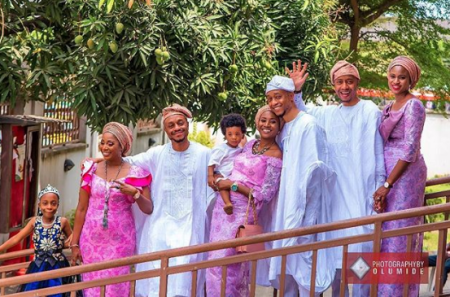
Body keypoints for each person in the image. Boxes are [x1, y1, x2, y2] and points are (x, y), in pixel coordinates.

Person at [291, 60, 385, 296]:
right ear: (333, 85)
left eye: (349, 81)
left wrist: (380, 189)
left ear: (357, 84)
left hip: (361, 198)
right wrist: (296, 90)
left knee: (361, 259)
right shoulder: (328, 113)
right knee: (336, 260)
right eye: (340, 82)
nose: (345, 86)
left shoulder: (369, 110)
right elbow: (303, 112)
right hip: (334, 201)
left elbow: (376, 152)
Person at [125, 104, 212, 297]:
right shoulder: (157, 154)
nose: (177, 128)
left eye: (180, 123)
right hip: (160, 228)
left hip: (191, 229)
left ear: (188, 125)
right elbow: (128, 162)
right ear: (166, 130)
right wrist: (97, 162)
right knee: (157, 281)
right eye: (171, 125)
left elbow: (222, 172)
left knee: (185, 281)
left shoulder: (204, 154)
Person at [266, 73, 337, 296]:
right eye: (269, 99)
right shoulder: (284, 128)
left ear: (290, 96)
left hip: (305, 212)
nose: (273, 102)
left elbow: (315, 175)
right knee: (288, 267)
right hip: (286, 208)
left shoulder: (308, 124)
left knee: (306, 266)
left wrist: (305, 216)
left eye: (278, 97)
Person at [206, 106, 283, 296]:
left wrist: (233, 186)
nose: (267, 125)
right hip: (222, 208)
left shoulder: (276, 154)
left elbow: (265, 194)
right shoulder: (249, 145)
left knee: (230, 263)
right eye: (263, 120)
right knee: (214, 260)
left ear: (279, 126)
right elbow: (226, 165)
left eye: (272, 121)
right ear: (257, 122)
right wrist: (217, 178)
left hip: (242, 212)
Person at [71, 122, 153, 297]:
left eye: (110, 144)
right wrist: (74, 243)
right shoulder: (90, 170)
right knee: (92, 288)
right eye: (102, 142)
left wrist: (135, 195)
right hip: (91, 240)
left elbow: (148, 208)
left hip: (120, 242)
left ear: (122, 146)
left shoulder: (137, 173)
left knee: (116, 289)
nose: (104, 148)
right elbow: (81, 208)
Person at [373, 56, 427, 296]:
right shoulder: (387, 106)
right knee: (384, 235)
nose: (396, 81)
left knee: (400, 232)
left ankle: (398, 292)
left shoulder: (413, 105)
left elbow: (410, 149)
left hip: (404, 177)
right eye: (393, 76)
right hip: (388, 174)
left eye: (402, 77)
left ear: (410, 80)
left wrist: (388, 184)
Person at [0, 184, 72, 296]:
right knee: (33, 292)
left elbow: (72, 240)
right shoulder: (35, 222)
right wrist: (1, 249)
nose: (49, 207)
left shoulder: (62, 222)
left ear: (58, 205)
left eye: (53, 203)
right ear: (39, 205)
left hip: (57, 266)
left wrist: (60, 245)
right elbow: (17, 238)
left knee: (57, 292)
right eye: (45, 203)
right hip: (38, 265)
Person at [208, 113, 246, 215]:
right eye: (230, 134)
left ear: (243, 134)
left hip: (232, 177)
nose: (234, 137)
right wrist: (210, 176)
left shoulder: (241, 149)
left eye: (237, 134)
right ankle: (227, 203)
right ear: (225, 134)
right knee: (223, 185)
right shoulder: (221, 149)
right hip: (221, 174)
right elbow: (211, 163)